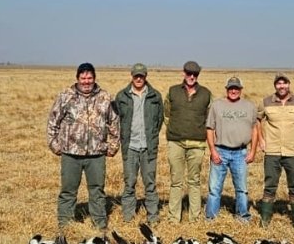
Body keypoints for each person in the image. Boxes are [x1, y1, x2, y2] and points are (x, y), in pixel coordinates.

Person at [47, 62, 120, 230]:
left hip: (96, 154)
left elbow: (114, 123)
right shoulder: (66, 96)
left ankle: (100, 226)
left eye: (89, 78)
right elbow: (53, 122)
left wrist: (113, 146)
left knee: (97, 191)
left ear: (94, 78)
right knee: (68, 191)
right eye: (83, 78)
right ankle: (65, 227)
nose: (86, 81)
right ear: (77, 78)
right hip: (70, 154)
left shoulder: (105, 97)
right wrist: (55, 145)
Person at [256, 73, 294, 228]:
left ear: (289, 84)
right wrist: (261, 140)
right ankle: (264, 220)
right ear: (275, 86)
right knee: (270, 185)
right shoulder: (265, 102)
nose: (281, 86)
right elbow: (257, 120)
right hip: (272, 152)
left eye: (284, 83)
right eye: (278, 84)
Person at [112, 63, 164, 223]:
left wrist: (152, 136)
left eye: (141, 76)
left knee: (150, 183)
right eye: (136, 76)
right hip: (130, 147)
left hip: (148, 147)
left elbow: (159, 120)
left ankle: (153, 217)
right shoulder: (122, 96)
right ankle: (128, 217)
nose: (139, 78)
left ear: (145, 76)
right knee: (129, 183)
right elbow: (117, 119)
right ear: (132, 76)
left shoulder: (155, 96)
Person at [204, 76, 259, 222]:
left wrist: (253, 151)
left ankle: (242, 216)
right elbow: (209, 129)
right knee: (215, 188)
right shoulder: (217, 105)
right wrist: (213, 151)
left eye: (236, 88)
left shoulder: (250, 106)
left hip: (240, 153)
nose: (233, 91)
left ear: (241, 90)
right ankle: (211, 217)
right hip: (220, 151)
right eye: (230, 88)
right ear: (226, 89)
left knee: (241, 188)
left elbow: (255, 129)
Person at [164, 60, 212, 222]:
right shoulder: (172, 91)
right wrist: (174, 130)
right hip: (175, 142)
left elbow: (210, 119)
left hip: (197, 144)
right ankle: (173, 218)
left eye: (195, 74)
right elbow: (166, 115)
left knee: (195, 181)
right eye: (189, 73)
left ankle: (195, 218)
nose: (191, 76)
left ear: (198, 75)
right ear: (183, 73)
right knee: (176, 181)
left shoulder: (206, 94)